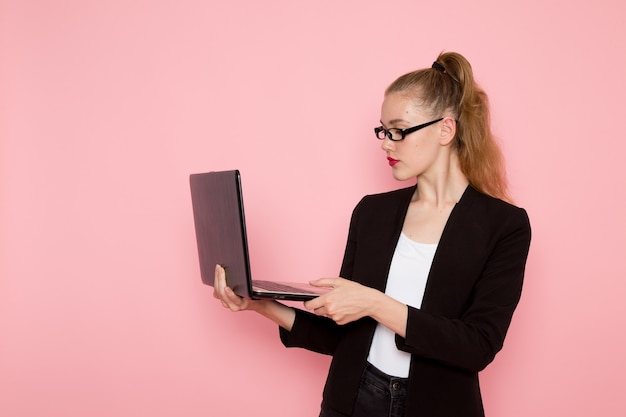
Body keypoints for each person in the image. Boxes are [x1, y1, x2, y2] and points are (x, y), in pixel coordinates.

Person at [212, 51, 531, 417]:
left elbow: (478, 346)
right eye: (383, 130)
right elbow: (344, 336)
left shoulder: (505, 225)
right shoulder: (372, 213)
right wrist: (259, 304)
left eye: (399, 130)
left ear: (446, 129)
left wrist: (375, 303)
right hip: (352, 400)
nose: (385, 142)